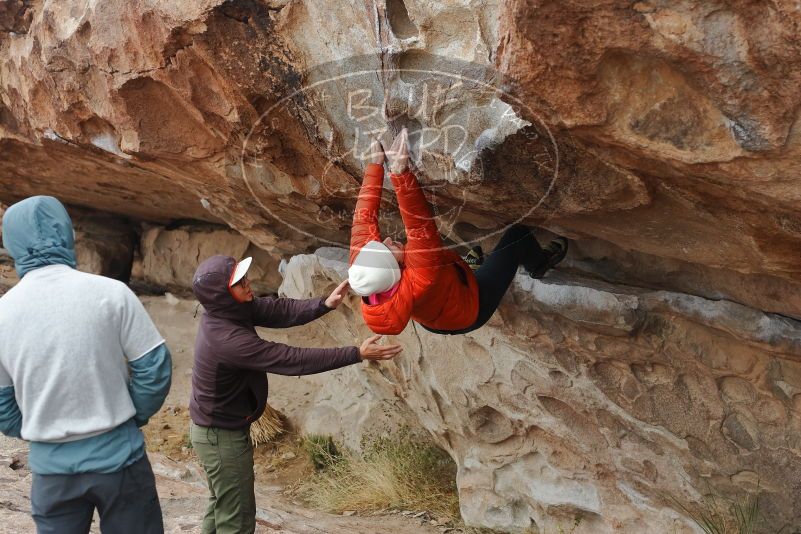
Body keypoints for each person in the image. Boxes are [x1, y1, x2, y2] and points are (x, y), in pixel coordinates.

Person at [189, 254, 401, 534]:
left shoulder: (230, 310)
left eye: (244, 277)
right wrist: (356, 353)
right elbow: (290, 359)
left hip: (215, 430)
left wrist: (323, 304)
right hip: (220, 436)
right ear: (222, 294)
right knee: (236, 518)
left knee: (223, 505)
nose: (247, 283)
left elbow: (276, 310)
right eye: (239, 282)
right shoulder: (228, 340)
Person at [0, 196, 172, 533]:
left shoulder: (2, 314)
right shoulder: (111, 292)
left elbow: (3, 408)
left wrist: (41, 429)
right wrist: (130, 416)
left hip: (52, 475)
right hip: (121, 462)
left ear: (12, 243)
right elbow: (155, 368)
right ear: (66, 233)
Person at [348, 128, 568, 336]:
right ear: (396, 271)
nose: (386, 239)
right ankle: (539, 264)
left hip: (437, 313)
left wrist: (374, 167)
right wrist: (399, 173)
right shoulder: (421, 276)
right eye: (387, 248)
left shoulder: (366, 272)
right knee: (518, 235)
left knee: (443, 263)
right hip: (470, 310)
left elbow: (363, 221)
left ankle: (467, 272)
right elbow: (419, 227)